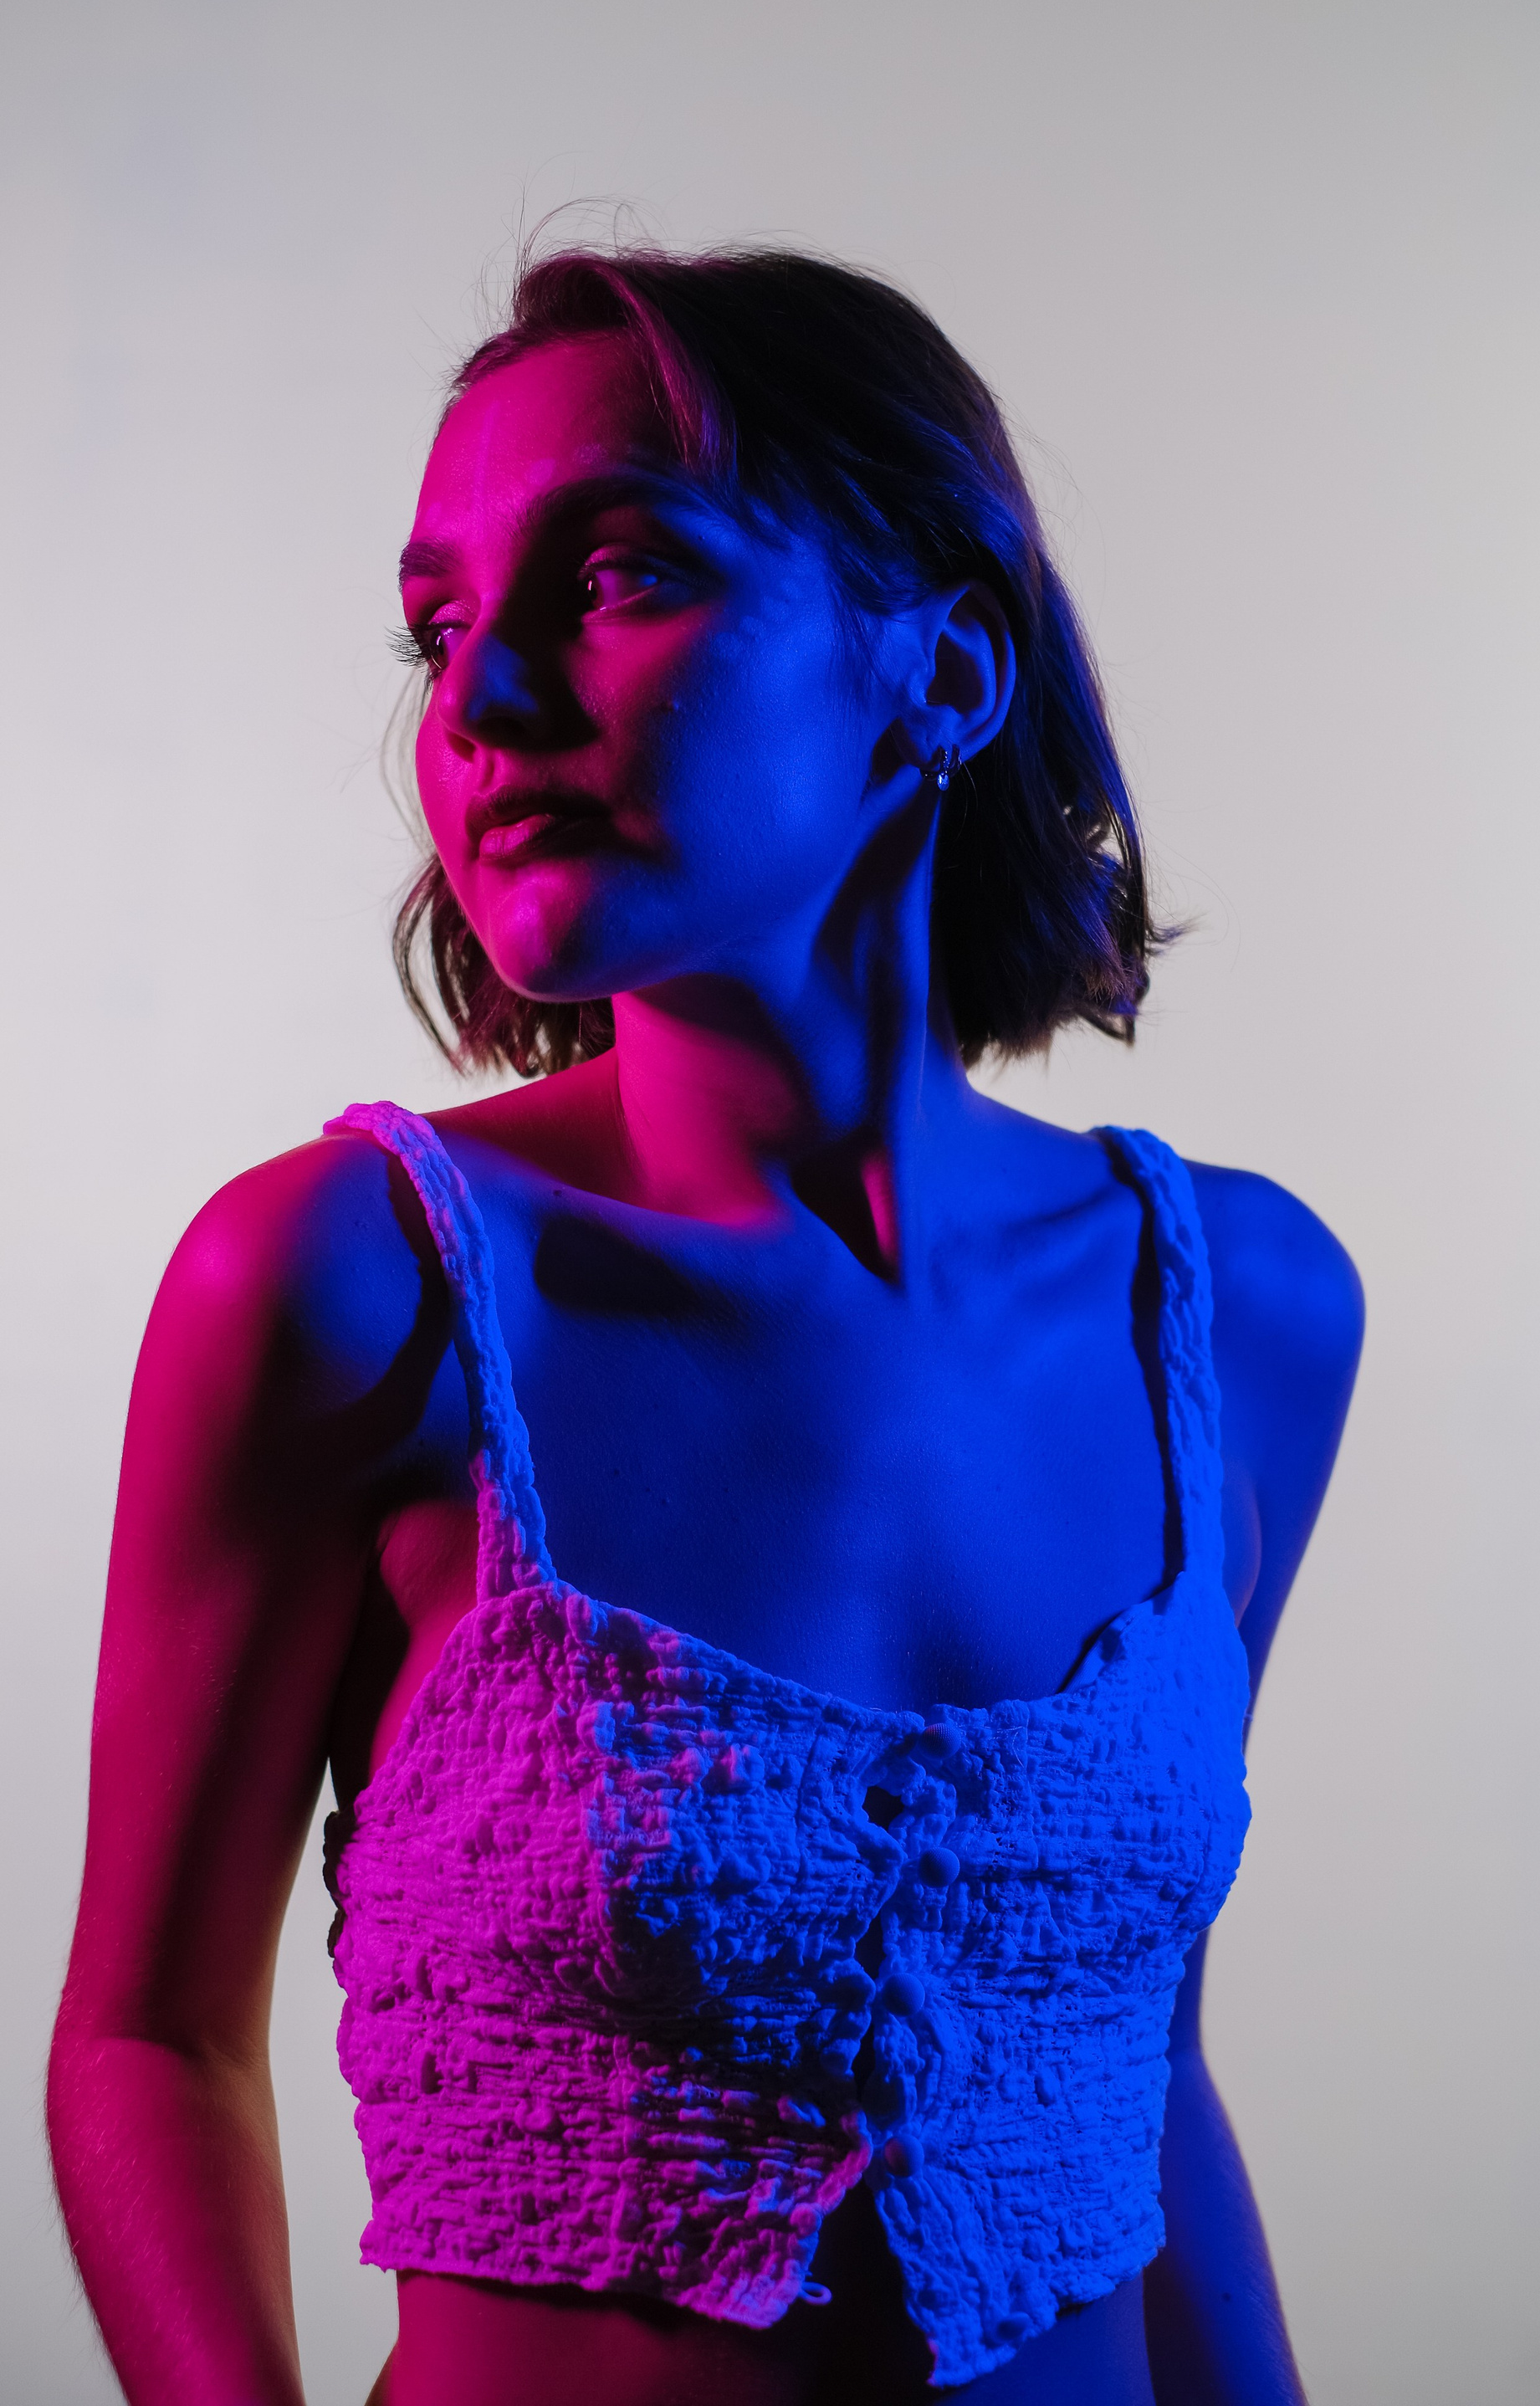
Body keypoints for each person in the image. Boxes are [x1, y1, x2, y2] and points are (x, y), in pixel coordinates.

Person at [47, 243, 1363, 2406]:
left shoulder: (1240, 1313)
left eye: (621, 575)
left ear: (946, 674)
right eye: (440, 626)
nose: (479, 705)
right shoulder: (350, 1286)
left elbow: (1143, 2062)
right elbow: (149, 2039)